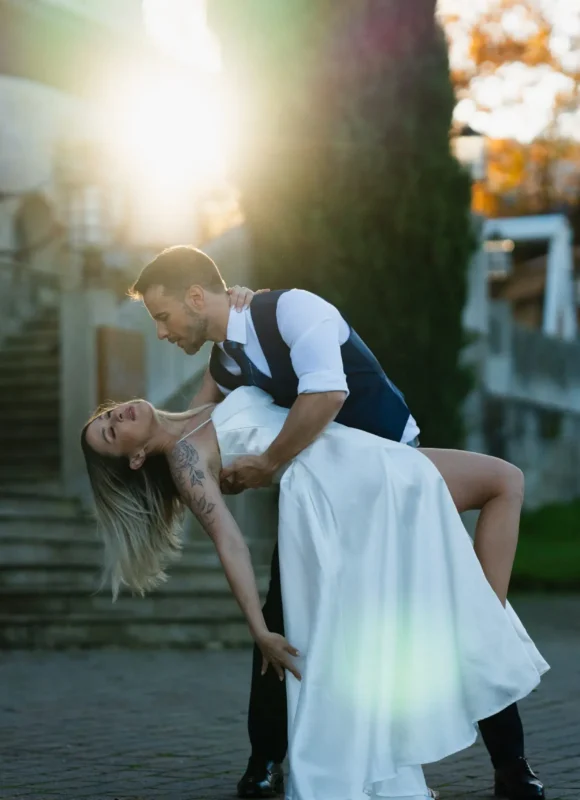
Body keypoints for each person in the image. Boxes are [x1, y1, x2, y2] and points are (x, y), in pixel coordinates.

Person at [125, 245, 546, 800]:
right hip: (324, 498)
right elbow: (195, 422)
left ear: (197, 296)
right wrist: (171, 464)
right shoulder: (225, 361)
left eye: (163, 316)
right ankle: (266, 761)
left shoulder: (296, 311)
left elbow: (326, 393)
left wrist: (265, 463)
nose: (161, 331)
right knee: (282, 621)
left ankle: (510, 763)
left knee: (455, 591)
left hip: (391, 473)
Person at [81, 385, 548, 800]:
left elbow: (223, 333)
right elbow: (229, 541)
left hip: (359, 453)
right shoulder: (185, 459)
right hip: (341, 486)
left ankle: (483, 632)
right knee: (504, 481)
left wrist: (243, 299)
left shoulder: (203, 403)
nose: (113, 417)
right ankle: (485, 635)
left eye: (105, 415)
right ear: (136, 458)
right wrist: (260, 629)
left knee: (502, 485)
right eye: (108, 432)